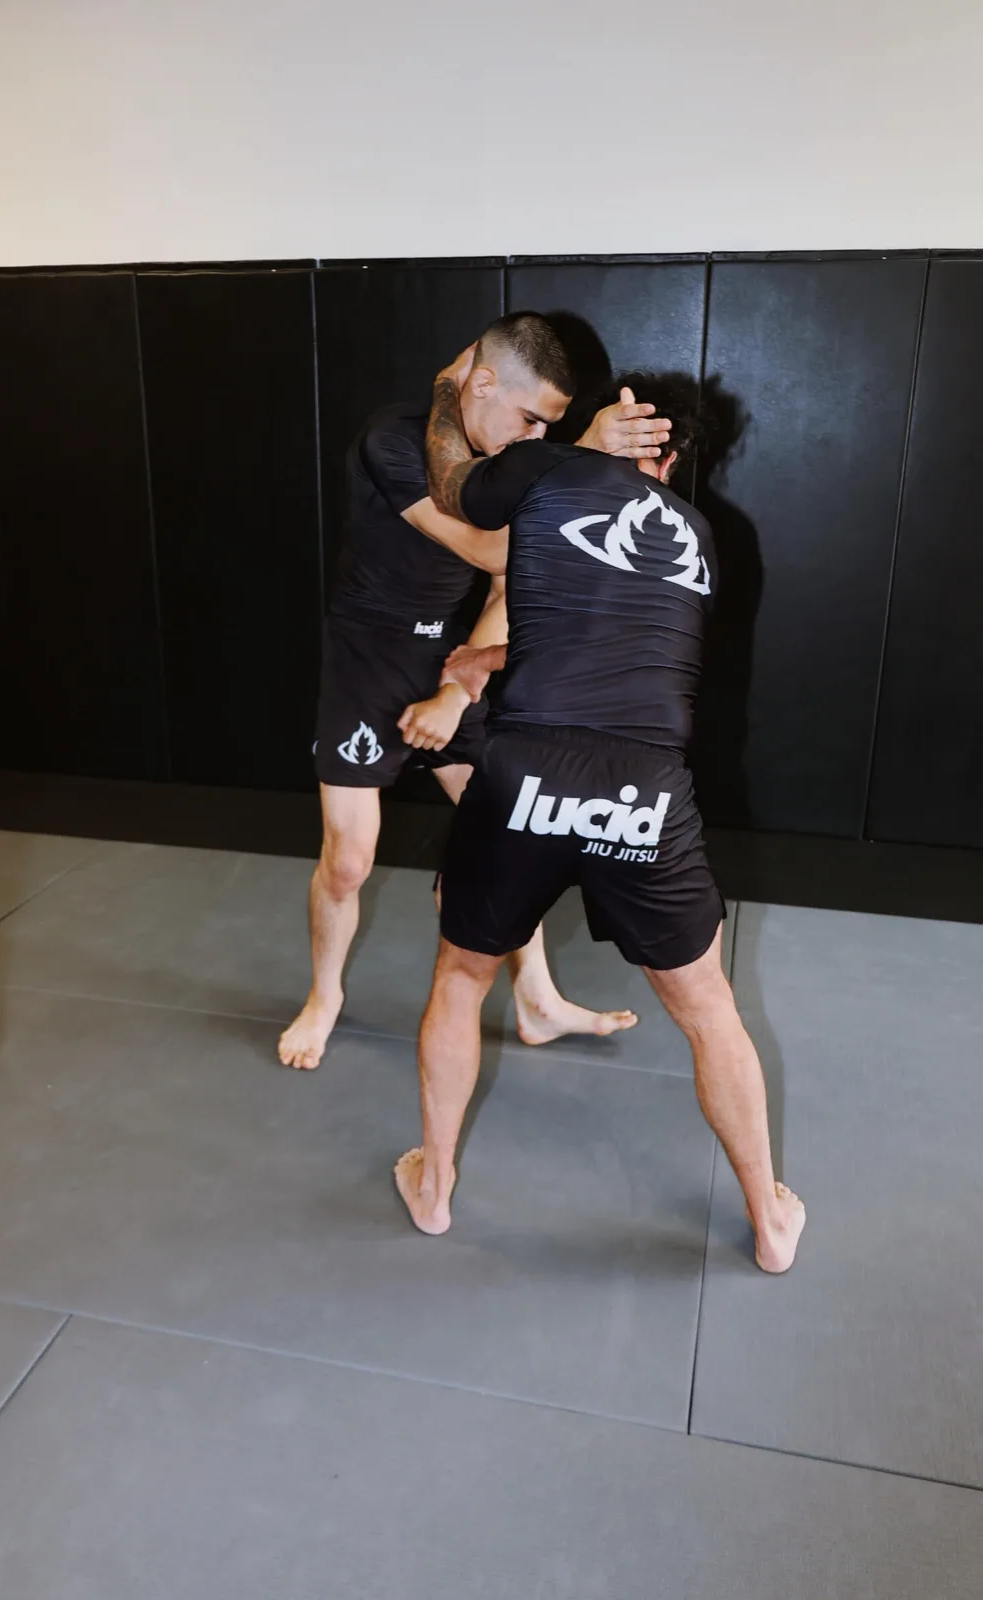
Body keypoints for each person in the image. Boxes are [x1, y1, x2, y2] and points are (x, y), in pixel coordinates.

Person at [393, 356, 806, 1275]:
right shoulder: (704, 534)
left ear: (615, 418)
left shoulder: (549, 473)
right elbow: (612, 651)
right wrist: (487, 666)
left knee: (462, 976)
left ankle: (434, 1189)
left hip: (527, 774)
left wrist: (447, 395)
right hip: (645, 790)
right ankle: (772, 1221)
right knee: (710, 1011)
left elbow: (453, 484)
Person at [278, 313, 671, 1071]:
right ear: (483, 383)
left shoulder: (513, 457)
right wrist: (582, 456)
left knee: (511, 839)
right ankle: (325, 995)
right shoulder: (392, 439)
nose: (531, 439)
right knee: (351, 858)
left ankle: (537, 1001)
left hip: (446, 659)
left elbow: (506, 581)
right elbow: (487, 544)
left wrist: (458, 689)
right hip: (367, 657)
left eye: (547, 428)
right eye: (528, 419)